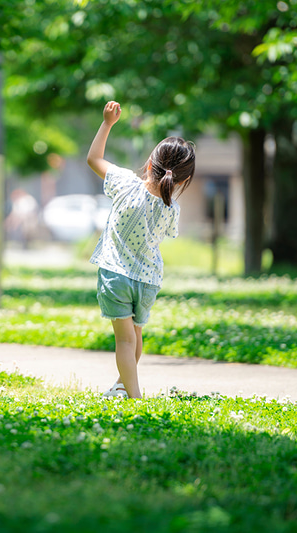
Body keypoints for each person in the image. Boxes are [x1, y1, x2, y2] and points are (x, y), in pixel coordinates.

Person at [86, 101, 195, 399]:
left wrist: (107, 123)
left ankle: (134, 397)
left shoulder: (125, 183)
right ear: (184, 180)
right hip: (148, 281)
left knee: (124, 341)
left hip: (116, 275)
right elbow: (167, 235)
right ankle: (122, 387)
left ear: (149, 164)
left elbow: (94, 159)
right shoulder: (172, 209)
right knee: (135, 336)